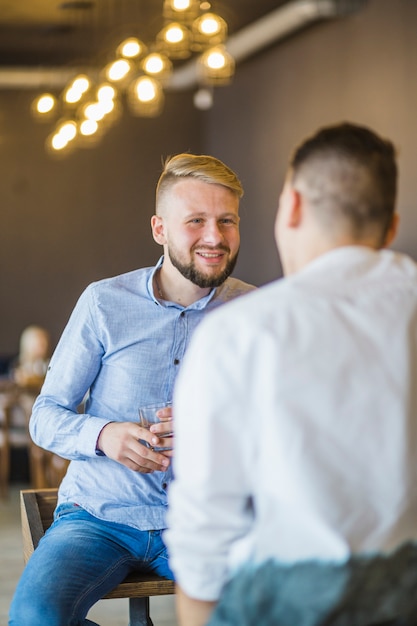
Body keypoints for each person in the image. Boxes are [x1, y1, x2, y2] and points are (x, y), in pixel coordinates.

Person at [165, 123, 417, 626]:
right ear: (390, 227)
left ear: (293, 207)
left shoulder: (241, 332)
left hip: (286, 602)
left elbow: (204, 536)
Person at [9, 153, 255, 625]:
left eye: (227, 221)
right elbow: (45, 415)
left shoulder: (254, 311)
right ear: (159, 229)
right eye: (196, 221)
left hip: (205, 518)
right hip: (98, 516)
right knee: (36, 616)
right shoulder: (104, 303)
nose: (215, 237)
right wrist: (105, 436)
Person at [11, 325, 51, 390]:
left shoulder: (49, 365)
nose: (43, 348)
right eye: (39, 344)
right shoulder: (18, 365)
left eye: (44, 343)